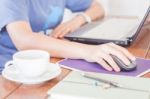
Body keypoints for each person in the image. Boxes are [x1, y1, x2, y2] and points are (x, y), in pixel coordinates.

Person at [0, 0, 135, 73]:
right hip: (13, 69)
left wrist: (78, 19)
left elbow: (98, 7)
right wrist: (87, 51)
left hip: (49, 61)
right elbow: (25, 41)